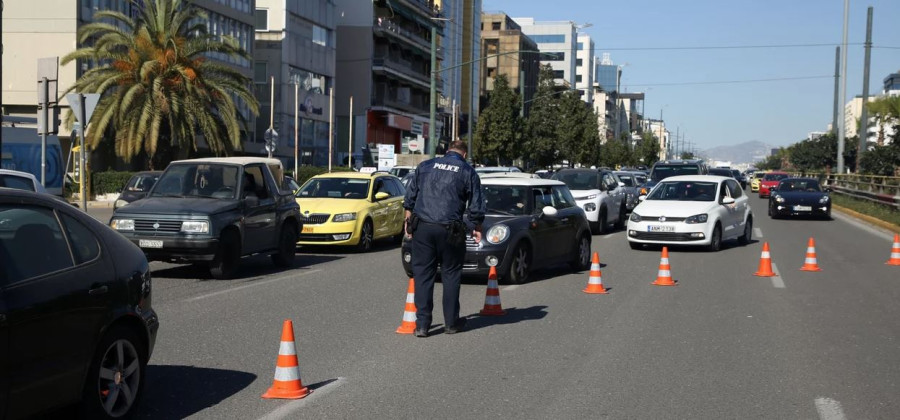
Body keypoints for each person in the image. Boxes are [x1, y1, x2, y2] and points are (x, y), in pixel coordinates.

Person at [403, 140, 485, 337]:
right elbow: (476, 203)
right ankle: (451, 323)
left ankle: (422, 325)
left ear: (447, 151)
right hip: (451, 230)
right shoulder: (467, 171)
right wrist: (477, 226)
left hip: (423, 227)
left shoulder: (425, 166)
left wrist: (408, 225)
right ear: (464, 154)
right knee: (451, 274)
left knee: (423, 275)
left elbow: (410, 198)